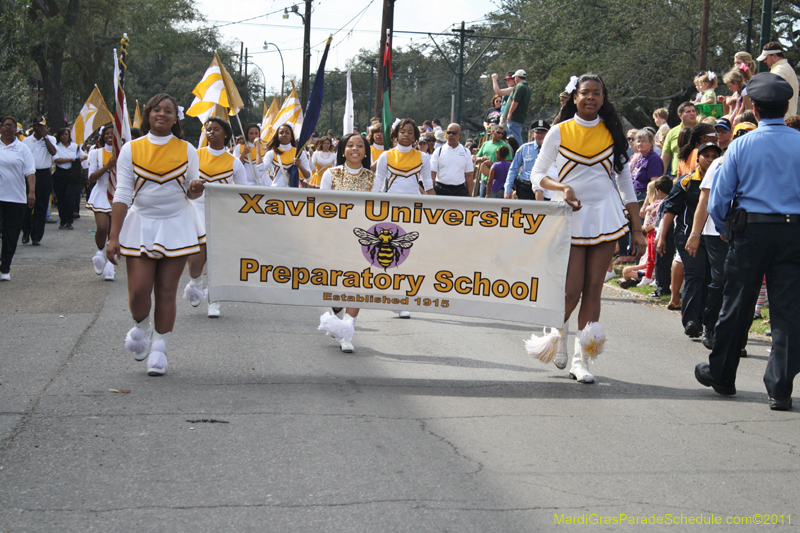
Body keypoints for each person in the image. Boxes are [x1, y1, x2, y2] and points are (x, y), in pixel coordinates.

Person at [528, 73, 644, 383]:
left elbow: (624, 183)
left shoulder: (613, 133)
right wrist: (562, 188)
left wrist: (637, 228)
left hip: (605, 216)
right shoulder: (559, 131)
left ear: (604, 99)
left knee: (594, 289)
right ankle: (558, 335)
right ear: (574, 98)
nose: (591, 97)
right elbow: (537, 175)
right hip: (569, 216)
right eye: (585, 93)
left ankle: (583, 360)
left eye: (597, 93)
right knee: (570, 291)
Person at [695, 73, 800, 411]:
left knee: (736, 304)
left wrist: (726, 228)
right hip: (793, 232)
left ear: (753, 109)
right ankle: (780, 388)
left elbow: (719, 199)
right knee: (788, 312)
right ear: (785, 108)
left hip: (751, 232)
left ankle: (723, 375)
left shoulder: (741, 144)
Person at [106, 93, 205, 376]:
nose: (162, 114)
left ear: (176, 118)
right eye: (157, 110)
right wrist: (114, 237)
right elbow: (123, 193)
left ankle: (160, 349)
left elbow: (190, 190)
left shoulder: (187, 149)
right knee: (138, 291)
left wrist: (195, 189)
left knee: (165, 291)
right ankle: (143, 326)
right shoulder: (131, 149)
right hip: (140, 224)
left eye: (168, 111)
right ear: (148, 114)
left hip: (176, 224)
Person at [317, 133, 380, 351]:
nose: (355, 149)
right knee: (338, 288)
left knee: (359, 283)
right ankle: (336, 316)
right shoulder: (330, 174)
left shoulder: (374, 178)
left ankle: (347, 331)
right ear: (343, 149)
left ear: (365, 151)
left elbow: (379, 209)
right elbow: (322, 207)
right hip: (336, 237)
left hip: (364, 240)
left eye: (360, 146)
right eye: (350, 145)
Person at [183, 117, 247, 318]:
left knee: (218, 259)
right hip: (196, 210)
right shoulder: (195, 155)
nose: (211, 132)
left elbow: (243, 193)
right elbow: (183, 184)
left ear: (226, 134)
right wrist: (192, 187)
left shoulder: (234, 162)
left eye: (216, 129)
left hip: (221, 214)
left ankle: (215, 300)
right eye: (208, 129)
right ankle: (196, 283)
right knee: (196, 260)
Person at [659, 142, 722, 339]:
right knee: (696, 274)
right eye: (706, 156)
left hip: (713, 237)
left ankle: (705, 319)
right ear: (698, 159)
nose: (710, 160)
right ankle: (691, 320)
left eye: (714, 156)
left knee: (711, 278)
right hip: (688, 237)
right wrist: (661, 237)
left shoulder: (724, 179)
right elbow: (670, 210)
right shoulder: (687, 182)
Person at [0, 116, 36, 281]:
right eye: (5, 125)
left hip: (15, 198)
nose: (8, 128)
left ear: (17, 129)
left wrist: (31, 192)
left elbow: (30, 172)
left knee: (11, 234)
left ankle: (5, 268)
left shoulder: (22, 149)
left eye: (11, 126)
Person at [87, 125, 118, 281]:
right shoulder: (95, 153)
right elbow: (91, 177)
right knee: (102, 227)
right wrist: (107, 167)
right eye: (107, 133)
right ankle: (99, 254)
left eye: (113, 133)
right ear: (102, 136)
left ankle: (110, 266)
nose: (110, 136)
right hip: (101, 193)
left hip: (118, 195)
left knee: (114, 232)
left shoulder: (124, 154)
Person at [374, 118, 434, 195]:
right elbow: (378, 184)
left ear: (414, 136)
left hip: (414, 203)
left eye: (410, 133)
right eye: (402, 132)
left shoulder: (423, 157)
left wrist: (437, 205)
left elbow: (428, 185)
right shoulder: (385, 156)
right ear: (396, 135)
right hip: (392, 203)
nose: (406, 135)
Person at [21, 117, 56, 246]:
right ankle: (26, 231)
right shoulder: (26, 141)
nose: (38, 128)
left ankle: (37, 236)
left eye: (41, 126)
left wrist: (45, 137)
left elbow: (53, 152)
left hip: (43, 174)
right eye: (36, 126)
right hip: (29, 174)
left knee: (41, 205)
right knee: (26, 205)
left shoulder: (50, 139)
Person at [505, 119, 552, 200]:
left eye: (543, 133)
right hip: (526, 189)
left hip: (546, 188)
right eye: (537, 133)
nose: (540, 135)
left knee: (544, 212)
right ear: (533, 134)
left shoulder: (553, 149)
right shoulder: (524, 148)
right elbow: (513, 169)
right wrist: (507, 190)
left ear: (547, 134)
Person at [52, 127, 85, 230]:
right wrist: (71, 159)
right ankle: (63, 220)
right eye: (62, 134)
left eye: (66, 134)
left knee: (70, 198)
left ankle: (69, 221)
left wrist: (78, 159)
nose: (64, 136)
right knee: (61, 198)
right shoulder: (56, 147)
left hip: (72, 175)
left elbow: (84, 156)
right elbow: (57, 160)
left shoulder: (75, 147)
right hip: (60, 174)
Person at [429, 123, 473, 197]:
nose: (451, 135)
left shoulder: (466, 152)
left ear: (459, 135)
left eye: (454, 133)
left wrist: (470, 194)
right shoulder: (438, 151)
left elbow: (469, 175)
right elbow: (432, 173)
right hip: (441, 189)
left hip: (459, 191)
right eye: (449, 132)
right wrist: (430, 193)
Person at [756, 42, 799, 118]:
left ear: (774, 55)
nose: (764, 61)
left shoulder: (779, 70)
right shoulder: (787, 68)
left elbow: (772, 91)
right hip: (787, 118)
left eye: (766, 58)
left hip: (780, 119)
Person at [474, 125, 512, 198]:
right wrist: (482, 158)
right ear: (493, 131)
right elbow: (476, 158)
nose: (500, 135)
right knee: (482, 207)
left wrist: (494, 164)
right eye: (498, 132)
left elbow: (508, 164)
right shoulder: (485, 144)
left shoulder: (504, 146)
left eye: (502, 133)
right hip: (484, 181)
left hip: (497, 184)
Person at [661, 102, 697, 176]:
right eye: (688, 112)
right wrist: (660, 179)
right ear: (680, 116)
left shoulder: (703, 129)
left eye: (693, 111)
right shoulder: (672, 133)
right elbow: (664, 159)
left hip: (698, 175)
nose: (692, 113)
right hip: (676, 176)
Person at [630, 129, 664, 201]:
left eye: (644, 141)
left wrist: (645, 205)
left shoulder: (654, 159)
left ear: (651, 143)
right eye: (638, 141)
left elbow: (654, 186)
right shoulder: (641, 158)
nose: (640, 144)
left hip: (643, 197)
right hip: (635, 195)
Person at [504, 69, 531, 143]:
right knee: (516, 135)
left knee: (516, 137)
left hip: (515, 117)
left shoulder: (520, 87)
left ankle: (519, 151)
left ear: (517, 77)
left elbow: (515, 101)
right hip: (519, 116)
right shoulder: (526, 87)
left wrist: (510, 113)